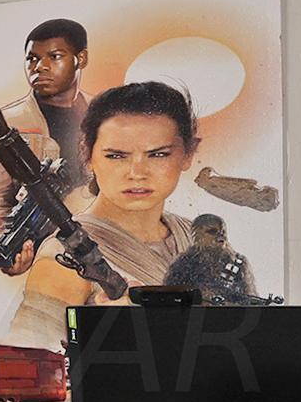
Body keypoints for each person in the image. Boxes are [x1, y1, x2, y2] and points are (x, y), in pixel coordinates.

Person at [22, 80, 204, 307]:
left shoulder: (198, 238)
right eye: (117, 156)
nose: (137, 173)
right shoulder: (64, 256)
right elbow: (29, 343)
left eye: (158, 155)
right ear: (87, 155)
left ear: (187, 155)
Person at [0, 16, 93, 271]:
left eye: (54, 56)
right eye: (32, 59)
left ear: (80, 59)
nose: (40, 67)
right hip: (48, 258)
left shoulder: (106, 115)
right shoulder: (5, 123)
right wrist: (1, 242)